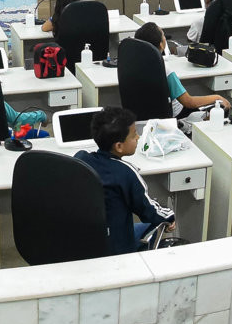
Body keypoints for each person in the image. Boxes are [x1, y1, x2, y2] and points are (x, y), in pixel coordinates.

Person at [73, 107, 175, 255]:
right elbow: (148, 210)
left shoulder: (80, 158)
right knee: (156, 223)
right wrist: (170, 216)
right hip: (116, 247)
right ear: (119, 146)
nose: (138, 138)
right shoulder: (126, 172)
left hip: (86, 242)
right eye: (134, 135)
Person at [133, 23, 230, 119]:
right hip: (178, 115)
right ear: (161, 45)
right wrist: (217, 97)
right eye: (163, 35)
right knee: (221, 107)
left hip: (146, 116)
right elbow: (189, 102)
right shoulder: (165, 70)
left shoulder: (134, 65)